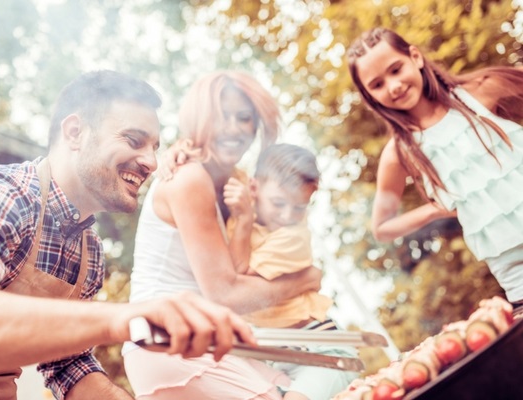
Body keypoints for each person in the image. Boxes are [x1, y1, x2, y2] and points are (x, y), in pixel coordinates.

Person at [0, 70, 257, 400]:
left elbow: (67, 365)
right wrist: (125, 316)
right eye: (133, 140)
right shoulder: (4, 194)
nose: (152, 162)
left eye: (155, 146)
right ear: (75, 132)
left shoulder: (89, 252)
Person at [123, 70, 323, 399]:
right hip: (168, 340)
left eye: (244, 118)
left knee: (302, 388)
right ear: (201, 120)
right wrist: (305, 280)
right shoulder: (190, 179)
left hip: (207, 337)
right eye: (221, 117)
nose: (232, 129)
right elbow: (225, 294)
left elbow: (271, 240)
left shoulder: (237, 183)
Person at [346, 27, 523, 317]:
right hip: (516, 273)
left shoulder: (478, 92)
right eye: (377, 84)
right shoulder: (400, 153)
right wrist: (433, 211)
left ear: (414, 56)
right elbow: (382, 227)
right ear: (369, 96)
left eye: (395, 69)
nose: (393, 86)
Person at [224, 143, 359, 400]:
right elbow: (210, 160)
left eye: (299, 207)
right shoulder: (244, 192)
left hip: (321, 349)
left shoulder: (292, 237)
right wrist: (179, 152)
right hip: (275, 357)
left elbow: (237, 281)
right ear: (254, 188)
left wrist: (243, 221)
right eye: (278, 203)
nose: (287, 215)